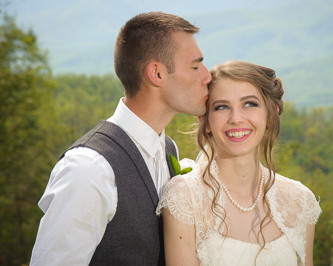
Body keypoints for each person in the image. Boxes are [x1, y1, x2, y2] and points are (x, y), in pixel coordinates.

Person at [30, 12, 212, 265]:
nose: (207, 76)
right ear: (157, 74)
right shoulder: (88, 169)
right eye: (194, 66)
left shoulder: (167, 148)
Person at [157, 60, 322, 266]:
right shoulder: (185, 198)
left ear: (270, 115)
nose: (236, 118)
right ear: (206, 121)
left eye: (250, 104)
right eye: (222, 107)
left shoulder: (300, 201)